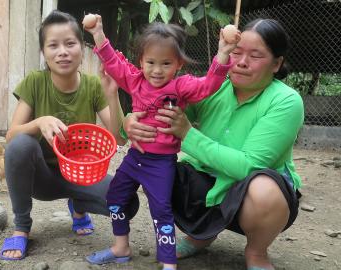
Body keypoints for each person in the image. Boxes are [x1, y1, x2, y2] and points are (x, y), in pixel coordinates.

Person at [124, 18, 303, 270]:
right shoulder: (214, 88)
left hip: (252, 193)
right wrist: (130, 120)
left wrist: (188, 134)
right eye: (236, 52)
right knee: (157, 168)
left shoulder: (286, 101)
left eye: (255, 56)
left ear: (277, 64)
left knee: (264, 190)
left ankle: (257, 252)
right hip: (208, 183)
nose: (241, 62)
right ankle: (201, 236)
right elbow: (158, 112)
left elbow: (248, 166)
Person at [83, 14, 239, 269]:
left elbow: (209, 85)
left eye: (166, 63)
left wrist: (224, 52)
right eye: (151, 62)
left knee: (161, 211)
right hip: (135, 158)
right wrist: (97, 32)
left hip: (161, 163)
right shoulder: (134, 80)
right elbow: (112, 62)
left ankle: (168, 263)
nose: (157, 70)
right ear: (141, 61)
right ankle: (120, 246)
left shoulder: (181, 87)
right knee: (114, 198)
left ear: (178, 64)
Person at [0, 10, 138, 261]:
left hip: (83, 176)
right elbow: (11, 135)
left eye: (70, 43)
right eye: (53, 45)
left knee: (128, 204)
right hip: (42, 178)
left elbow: (119, 138)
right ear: (44, 54)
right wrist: (39, 122)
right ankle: (21, 227)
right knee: (20, 145)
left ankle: (79, 205)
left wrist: (112, 92)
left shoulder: (93, 85)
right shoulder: (35, 83)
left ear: (81, 51)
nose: (62, 51)